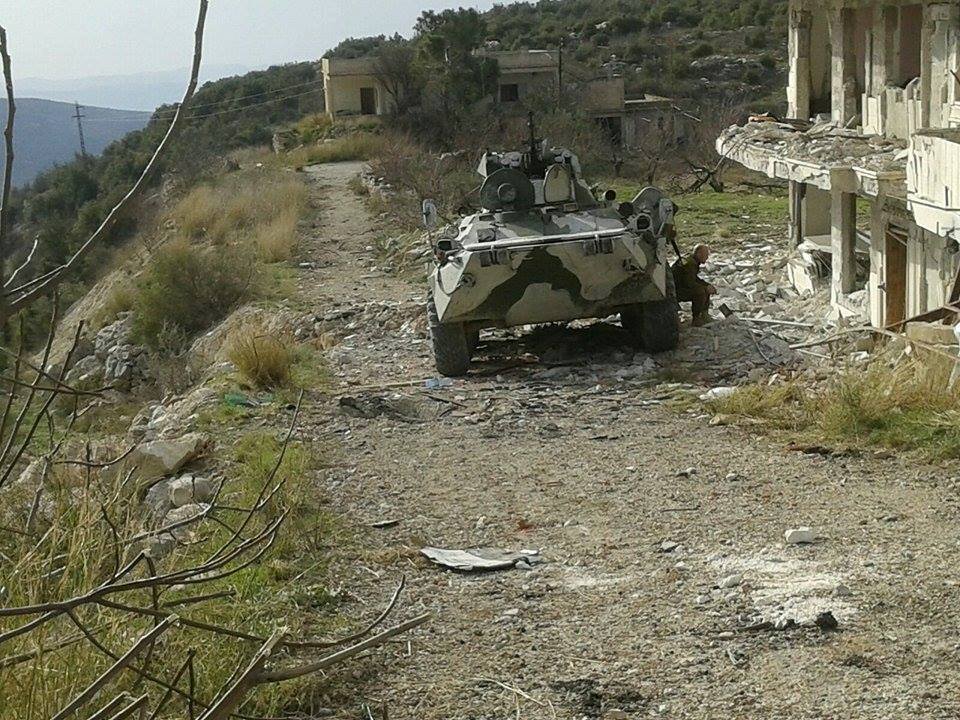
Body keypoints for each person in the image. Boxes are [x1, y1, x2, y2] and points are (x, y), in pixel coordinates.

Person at [672, 244, 717, 327]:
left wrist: (707, 285)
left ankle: (704, 315)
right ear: (699, 254)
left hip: (679, 288)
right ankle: (696, 319)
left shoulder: (692, 260)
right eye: (706, 255)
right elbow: (689, 283)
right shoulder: (690, 263)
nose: (707, 258)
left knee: (705, 288)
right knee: (700, 291)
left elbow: (693, 278)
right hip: (674, 291)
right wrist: (705, 287)